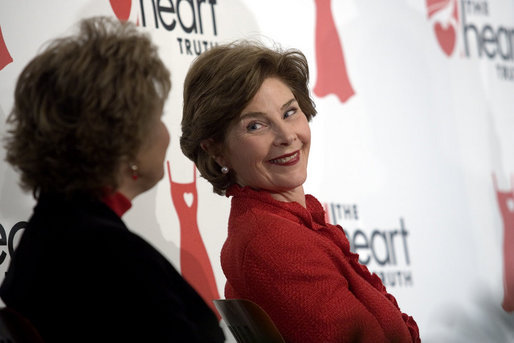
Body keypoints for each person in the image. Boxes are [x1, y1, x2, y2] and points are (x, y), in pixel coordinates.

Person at [1, 16, 224, 343]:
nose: (166, 134)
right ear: (125, 144)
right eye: (157, 118)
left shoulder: (47, 236)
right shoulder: (112, 259)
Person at [180, 40, 421, 342]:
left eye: (289, 112)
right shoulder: (272, 240)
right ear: (217, 151)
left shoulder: (291, 223)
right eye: (255, 126)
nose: (286, 136)